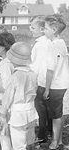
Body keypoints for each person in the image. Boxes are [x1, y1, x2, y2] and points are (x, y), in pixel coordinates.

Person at [1, 42, 39, 150]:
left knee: (19, 144)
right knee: (30, 141)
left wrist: (3, 112)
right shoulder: (33, 74)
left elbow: (7, 98)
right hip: (31, 112)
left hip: (18, 115)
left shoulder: (14, 78)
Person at [42, 14, 69, 149]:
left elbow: (50, 70)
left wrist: (46, 89)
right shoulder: (62, 43)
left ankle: (54, 142)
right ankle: (58, 140)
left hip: (56, 85)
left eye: (45, 28)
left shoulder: (53, 46)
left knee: (55, 115)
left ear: (53, 30)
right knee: (60, 113)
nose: (44, 30)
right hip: (63, 83)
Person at [29, 15, 53, 144]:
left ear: (42, 29)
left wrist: (31, 78)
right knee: (47, 108)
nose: (30, 29)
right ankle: (49, 130)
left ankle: (42, 133)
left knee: (40, 108)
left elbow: (37, 65)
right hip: (48, 80)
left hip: (40, 80)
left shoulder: (40, 45)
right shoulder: (48, 42)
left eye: (33, 27)